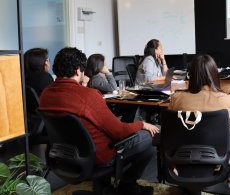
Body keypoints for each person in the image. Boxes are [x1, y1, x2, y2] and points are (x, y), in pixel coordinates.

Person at [39, 47, 159, 195]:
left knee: (98, 135)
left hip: (63, 156)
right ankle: (127, 186)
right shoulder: (88, 95)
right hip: (99, 157)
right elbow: (119, 131)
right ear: (78, 70)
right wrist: (142, 124)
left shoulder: (46, 93)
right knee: (151, 135)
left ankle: (104, 187)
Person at [169, 54, 230, 195]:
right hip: (217, 163)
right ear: (214, 74)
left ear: (191, 75)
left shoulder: (176, 98)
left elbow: (171, 132)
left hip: (181, 162)